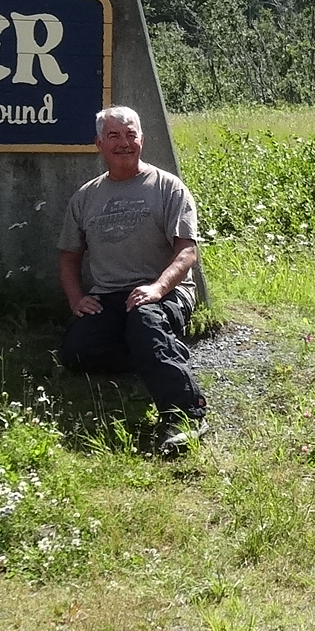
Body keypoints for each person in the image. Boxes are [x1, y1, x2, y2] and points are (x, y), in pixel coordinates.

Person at [57, 104, 206, 435]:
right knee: (77, 352)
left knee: (145, 320)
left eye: (130, 135)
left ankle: (186, 414)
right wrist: (76, 299)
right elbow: (68, 256)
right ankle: (157, 351)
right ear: (99, 143)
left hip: (165, 291)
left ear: (142, 139)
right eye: (114, 136)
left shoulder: (169, 187)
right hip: (108, 295)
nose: (123, 143)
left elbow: (187, 252)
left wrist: (157, 289)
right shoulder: (86, 197)